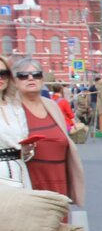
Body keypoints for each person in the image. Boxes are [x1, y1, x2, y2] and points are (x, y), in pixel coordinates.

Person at [9, 58, 85, 204]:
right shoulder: (11, 109)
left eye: (36, 75)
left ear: (42, 79)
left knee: (59, 225)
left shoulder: (52, 106)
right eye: (23, 75)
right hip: (29, 185)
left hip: (58, 184)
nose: (31, 78)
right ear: (15, 81)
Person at [0, 55, 32, 190]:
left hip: (20, 173)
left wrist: (27, 150)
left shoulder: (16, 109)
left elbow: (23, 142)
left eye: (4, 74)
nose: (1, 78)